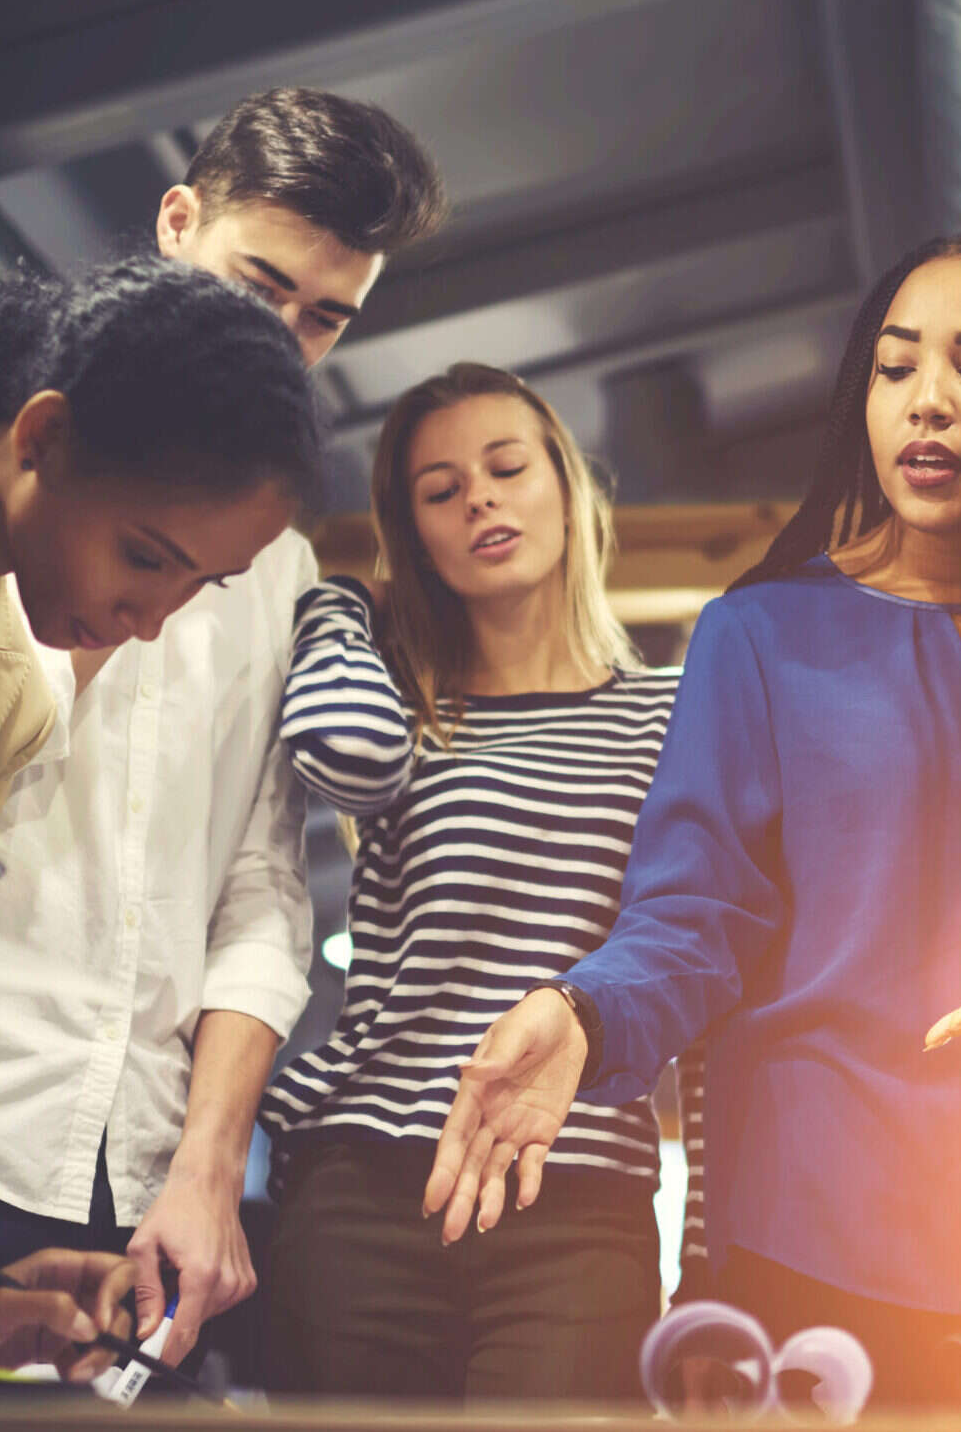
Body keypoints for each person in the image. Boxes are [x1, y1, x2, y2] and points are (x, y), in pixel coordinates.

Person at [421, 233, 961, 1406]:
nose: (928, 401)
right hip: (822, 1247)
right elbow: (693, 914)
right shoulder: (763, 633)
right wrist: (584, 1010)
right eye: (894, 368)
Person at [0, 87, 445, 1368]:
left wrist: (209, 1167)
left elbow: (263, 886)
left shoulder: (268, 562)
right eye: (258, 282)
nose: (284, 335)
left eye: (325, 315)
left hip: (129, 1166)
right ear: (177, 221)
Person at [0, 254, 322, 1367]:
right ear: (39, 437)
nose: (148, 621)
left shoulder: (4, 699)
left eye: (200, 587)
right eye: (144, 555)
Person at [259, 364, 679, 1401]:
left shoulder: (672, 710)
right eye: (439, 491)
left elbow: (699, 943)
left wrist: (711, 1239)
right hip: (365, 1179)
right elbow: (343, 758)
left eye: (505, 467)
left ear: (566, 486)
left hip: (577, 1185)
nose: (480, 498)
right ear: (414, 534)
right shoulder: (398, 706)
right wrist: (340, 604)